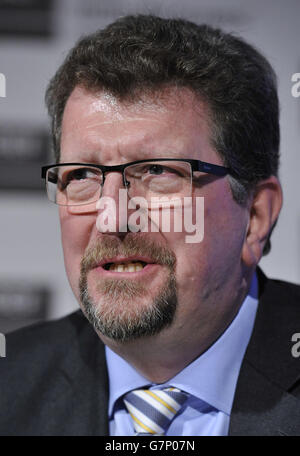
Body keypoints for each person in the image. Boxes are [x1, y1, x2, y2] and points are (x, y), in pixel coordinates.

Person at [1, 14, 300, 437]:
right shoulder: (9, 386)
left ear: (255, 217)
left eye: (157, 171)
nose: (112, 218)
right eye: (82, 176)